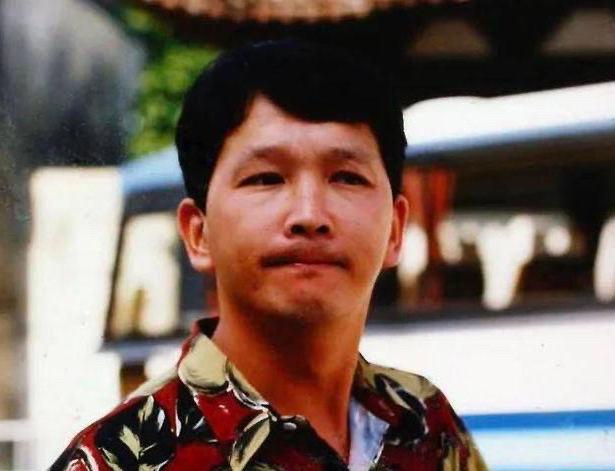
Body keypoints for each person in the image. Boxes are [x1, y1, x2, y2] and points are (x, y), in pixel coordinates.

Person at [51, 39, 487, 471]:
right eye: (265, 178)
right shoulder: (118, 459)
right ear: (198, 233)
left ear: (394, 230)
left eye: (347, 177)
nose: (310, 215)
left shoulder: (426, 425)